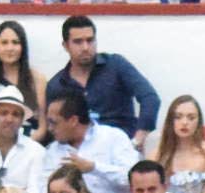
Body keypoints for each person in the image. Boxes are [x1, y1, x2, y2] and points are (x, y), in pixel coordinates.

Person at [43, 14, 155, 147]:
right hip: (79, 152)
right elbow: (54, 125)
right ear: (66, 45)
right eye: (78, 42)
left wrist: (138, 138)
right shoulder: (57, 85)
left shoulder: (116, 65)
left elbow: (150, 98)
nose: (85, 47)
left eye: (90, 40)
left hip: (122, 147)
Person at [41, 90, 135, 193]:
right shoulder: (52, 150)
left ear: (73, 121)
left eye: (54, 123)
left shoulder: (113, 137)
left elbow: (132, 179)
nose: (50, 128)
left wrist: (93, 168)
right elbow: (43, 190)